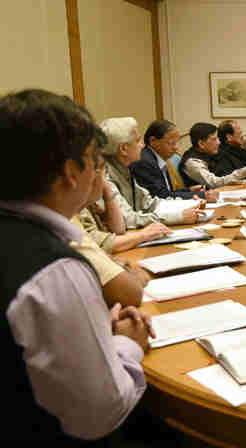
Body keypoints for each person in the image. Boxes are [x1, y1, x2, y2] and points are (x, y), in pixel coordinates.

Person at [0, 89, 152, 444]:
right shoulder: (56, 270)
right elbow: (100, 413)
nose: (99, 172)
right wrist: (127, 344)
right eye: (94, 162)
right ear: (71, 172)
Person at [71, 156, 149, 308]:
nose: (104, 178)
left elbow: (117, 229)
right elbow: (130, 293)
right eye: (100, 170)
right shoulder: (66, 217)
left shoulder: (83, 206)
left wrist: (107, 194)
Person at [101, 117, 205, 229]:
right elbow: (128, 219)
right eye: (137, 141)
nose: (142, 145)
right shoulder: (104, 175)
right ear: (123, 149)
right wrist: (177, 217)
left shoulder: (124, 169)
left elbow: (149, 203)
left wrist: (189, 204)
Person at [131, 119, 218, 202]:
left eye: (177, 142)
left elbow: (167, 192)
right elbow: (161, 197)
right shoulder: (145, 162)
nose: (176, 148)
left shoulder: (161, 159)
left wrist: (188, 190)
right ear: (153, 141)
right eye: (171, 143)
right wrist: (202, 196)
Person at [180, 122, 246, 187]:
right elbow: (215, 183)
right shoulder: (193, 162)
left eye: (218, 139)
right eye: (214, 139)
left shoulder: (207, 154)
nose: (219, 143)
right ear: (201, 144)